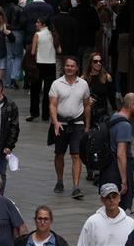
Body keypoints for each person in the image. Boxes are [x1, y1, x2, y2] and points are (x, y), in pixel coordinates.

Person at [48, 56, 90, 199]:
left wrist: (87, 125)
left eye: (72, 66)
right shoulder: (56, 84)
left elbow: (86, 105)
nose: (69, 68)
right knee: (59, 154)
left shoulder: (83, 84)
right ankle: (59, 180)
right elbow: (52, 104)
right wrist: (55, 122)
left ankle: (76, 186)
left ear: (77, 68)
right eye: (67, 66)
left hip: (77, 123)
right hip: (61, 123)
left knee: (76, 154)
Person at [101, 92, 134, 211]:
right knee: (119, 207)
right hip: (116, 171)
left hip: (109, 168)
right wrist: (124, 180)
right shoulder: (125, 125)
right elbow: (121, 154)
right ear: (131, 106)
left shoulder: (114, 116)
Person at [29, 18, 59, 123]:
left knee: (35, 90)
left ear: (43, 24)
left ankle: (34, 112)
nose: (36, 24)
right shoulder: (54, 35)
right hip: (51, 65)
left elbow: (32, 52)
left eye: (38, 22)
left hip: (39, 64)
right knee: (48, 91)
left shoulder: (38, 35)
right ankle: (46, 114)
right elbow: (59, 50)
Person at [69, 0, 101, 71]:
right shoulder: (92, 10)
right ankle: (84, 78)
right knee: (86, 62)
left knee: (76, 61)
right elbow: (97, 25)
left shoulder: (74, 11)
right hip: (89, 40)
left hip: (77, 41)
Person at [84, 53, 116, 123]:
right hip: (88, 112)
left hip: (102, 112)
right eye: (95, 61)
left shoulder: (106, 77)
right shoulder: (84, 78)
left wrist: (115, 110)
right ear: (90, 63)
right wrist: (86, 100)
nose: (98, 63)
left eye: (100, 61)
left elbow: (111, 96)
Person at [51, 0, 79, 75]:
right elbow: (75, 37)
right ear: (69, 9)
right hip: (69, 49)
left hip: (56, 47)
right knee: (68, 68)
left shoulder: (53, 20)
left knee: (58, 68)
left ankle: (58, 84)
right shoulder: (73, 21)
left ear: (59, 7)